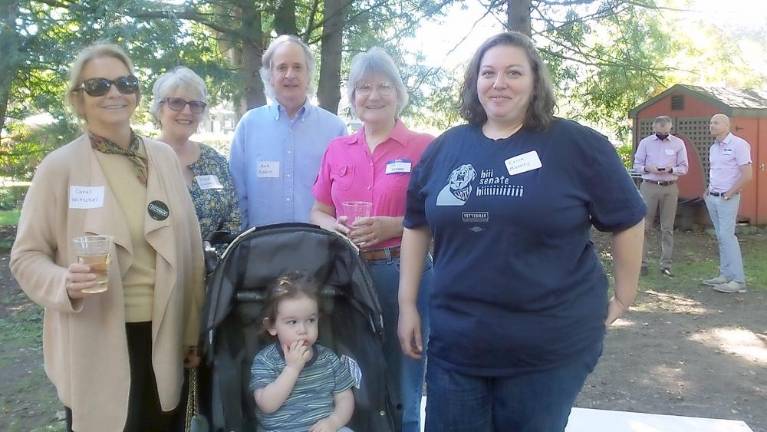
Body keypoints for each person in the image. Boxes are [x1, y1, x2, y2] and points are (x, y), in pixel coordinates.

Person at [396, 32, 646, 432]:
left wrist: (624, 294)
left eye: (514, 72)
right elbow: (416, 223)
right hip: (457, 344)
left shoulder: (577, 146)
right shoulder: (446, 148)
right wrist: (408, 303)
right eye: (488, 72)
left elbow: (628, 217)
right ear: (474, 82)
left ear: (534, 82)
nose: (499, 83)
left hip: (547, 347)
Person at [10, 43, 204, 432]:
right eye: (98, 85)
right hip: (96, 336)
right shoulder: (60, 167)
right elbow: (26, 256)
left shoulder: (162, 158)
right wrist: (63, 281)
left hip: (163, 337)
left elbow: (190, 251)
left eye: (125, 82)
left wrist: (191, 332)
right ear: (78, 100)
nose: (114, 93)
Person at [310, 47, 433, 432]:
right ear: (352, 96)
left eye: (383, 86)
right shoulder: (337, 149)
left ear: (398, 93)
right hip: (348, 275)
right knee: (351, 375)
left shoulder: (424, 147)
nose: (373, 95)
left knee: (404, 377)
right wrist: (333, 228)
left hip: (403, 273)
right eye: (363, 87)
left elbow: (441, 215)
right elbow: (318, 211)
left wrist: (394, 226)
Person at [150, 66, 241, 429]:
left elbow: (234, 222)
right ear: (159, 107)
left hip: (211, 290)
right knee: (161, 377)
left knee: (206, 379)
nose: (186, 111)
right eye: (176, 102)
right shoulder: (142, 159)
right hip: (159, 288)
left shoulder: (215, 162)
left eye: (196, 104)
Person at [229, 34, 347, 229]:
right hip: (261, 250)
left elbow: (343, 194)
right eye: (282, 67)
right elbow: (236, 196)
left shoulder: (335, 129)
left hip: (319, 249)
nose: (290, 74)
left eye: (297, 67)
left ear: (308, 74)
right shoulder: (248, 126)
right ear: (270, 75)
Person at [250, 272, 355, 432]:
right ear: (272, 326)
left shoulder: (328, 358)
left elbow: (345, 398)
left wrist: (333, 422)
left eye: (311, 320)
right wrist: (292, 369)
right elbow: (266, 404)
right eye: (292, 322)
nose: (303, 330)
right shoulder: (265, 360)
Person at [702, 113, 752, 293]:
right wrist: (709, 189)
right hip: (713, 197)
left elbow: (747, 174)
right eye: (710, 122)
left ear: (726, 125)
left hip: (727, 198)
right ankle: (725, 275)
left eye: (715, 123)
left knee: (728, 236)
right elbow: (718, 171)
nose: (711, 126)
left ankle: (739, 281)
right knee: (721, 236)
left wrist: (729, 193)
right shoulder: (713, 147)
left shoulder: (739, 145)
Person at [633, 115, 688, 277]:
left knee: (667, 227)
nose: (662, 135)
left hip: (670, 187)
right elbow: (637, 165)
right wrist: (648, 168)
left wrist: (672, 170)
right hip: (649, 186)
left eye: (665, 132)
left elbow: (684, 167)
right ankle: (642, 263)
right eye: (659, 133)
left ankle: (666, 264)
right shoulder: (645, 143)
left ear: (670, 129)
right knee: (645, 226)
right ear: (654, 128)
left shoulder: (678, 144)